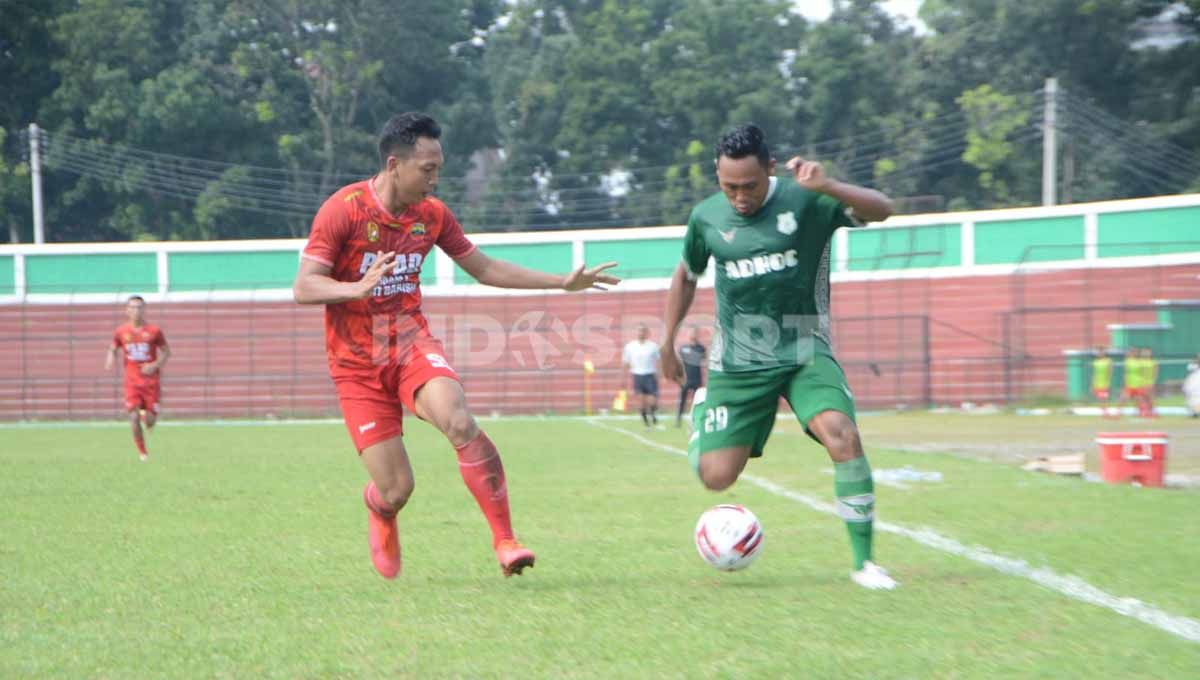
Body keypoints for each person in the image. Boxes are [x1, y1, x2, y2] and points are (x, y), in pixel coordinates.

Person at [294, 112, 619, 579]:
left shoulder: (433, 215)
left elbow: (484, 269)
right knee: (397, 490)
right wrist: (355, 289)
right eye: (427, 169)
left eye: (438, 168)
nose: (435, 178)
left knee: (459, 420)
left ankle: (506, 541)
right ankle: (380, 509)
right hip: (355, 366)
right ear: (394, 165)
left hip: (408, 345)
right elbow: (304, 287)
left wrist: (562, 283)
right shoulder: (343, 209)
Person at [659, 123, 898, 590]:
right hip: (739, 363)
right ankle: (707, 410)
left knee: (842, 436)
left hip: (804, 349)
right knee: (716, 478)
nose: (740, 197)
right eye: (729, 186)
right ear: (717, 177)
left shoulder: (807, 199)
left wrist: (828, 185)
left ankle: (865, 563)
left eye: (749, 185)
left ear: (770, 169)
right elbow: (686, 275)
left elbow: (883, 209)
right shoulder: (707, 217)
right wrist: (668, 340)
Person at [104, 295, 170, 462]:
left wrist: (154, 365)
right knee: (132, 417)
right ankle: (142, 453)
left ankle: (146, 414)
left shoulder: (154, 331)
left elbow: (167, 352)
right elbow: (113, 347)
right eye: (132, 307)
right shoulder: (121, 331)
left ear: (144, 309)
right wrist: (111, 357)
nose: (136, 311)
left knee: (149, 422)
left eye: (139, 307)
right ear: (126, 310)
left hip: (151, 383)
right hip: (132, 382)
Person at [622, 324, 662, 428]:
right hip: (637, 376)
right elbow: (626, 362)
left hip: (650, 375)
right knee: (641, 402)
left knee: (653, 400)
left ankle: (653, 414)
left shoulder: (653, 346)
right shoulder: (630, 346)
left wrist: (660, 374)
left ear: (647, 333)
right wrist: (624, 377)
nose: (641, 333)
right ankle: (646, 423)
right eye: (639, 331)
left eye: (643, 331)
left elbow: (658, 361)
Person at [675, 326, 707, 427]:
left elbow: (705, 360)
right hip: (686, 379)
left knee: (697, 401)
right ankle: (678, 420)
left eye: (695, 333)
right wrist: (679, 377)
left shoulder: (701, 348)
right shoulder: (683, 348)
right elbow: (679, 362)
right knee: (682, 399)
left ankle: (696, 420)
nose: (693, 335)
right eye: (691, 332)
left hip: (697, 378)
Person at [1090, 347, 1115, 418]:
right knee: (1100, 398)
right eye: (1099, 352)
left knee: (1104, 398)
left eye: (1102, 352)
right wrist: (1092, 384)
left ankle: (1105, 412)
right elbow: (1094, 374)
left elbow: (1110, 372)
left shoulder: (1109, 361)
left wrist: (1109, 381)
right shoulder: (1095, 362)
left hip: (1105, 383)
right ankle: (1104, 412)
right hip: (1097, 383)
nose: (1100, 354)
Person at [1184, 353, 1200, 418]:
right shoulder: (1193, 364)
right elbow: (1190, 368)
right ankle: (1192, 412)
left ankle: (1195, 411)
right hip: (1193, 383)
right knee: (1190, 398)